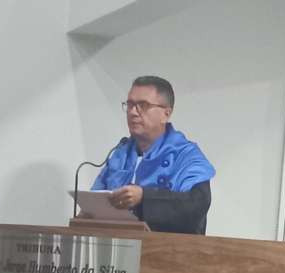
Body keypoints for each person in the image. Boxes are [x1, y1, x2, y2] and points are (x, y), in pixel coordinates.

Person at [92, 76, 216, 234]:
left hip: (169, 246)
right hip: (118, 244)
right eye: (130, 105)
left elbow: (196, 206)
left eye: (142, 105)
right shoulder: (121, 152)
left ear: (166, 113)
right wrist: (89, 213)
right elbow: (96, 196)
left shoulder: (186, 155)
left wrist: (144, 198)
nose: (133, 112)